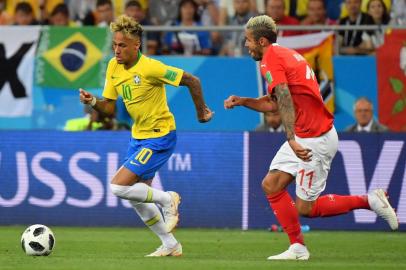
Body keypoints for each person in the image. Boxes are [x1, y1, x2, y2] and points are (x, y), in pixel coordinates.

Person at [224, 15, 398, 260]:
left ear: (262, 41)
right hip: (308, 134)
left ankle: (370, 200)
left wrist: (291, 138)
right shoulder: (284, 54)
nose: (246, 45)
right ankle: (297, 247)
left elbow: (283, 97)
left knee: (307, 208)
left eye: (248, 41)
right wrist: (243, 101)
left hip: (314, 138)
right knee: (271, 185)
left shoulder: (270, 60)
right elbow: (274, 104)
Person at [79, 15, 213, 257]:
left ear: (136, 45)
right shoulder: (113, 66)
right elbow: (109, 108)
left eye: (122, 45)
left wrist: (201, 112)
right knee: (137, 197)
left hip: (160, 135)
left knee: (117, 187)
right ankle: (170, 244)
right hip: (137, 137)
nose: (117, 50)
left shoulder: (151, 67)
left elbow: (193, 80)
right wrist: (93, 102)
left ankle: (168, 198)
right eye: (115, 45)